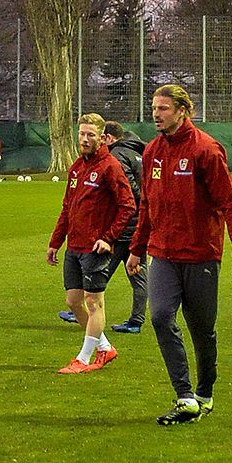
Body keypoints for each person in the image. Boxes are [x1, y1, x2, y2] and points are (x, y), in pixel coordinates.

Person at [126, 84, 232, 426]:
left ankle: (205, 393)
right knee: (160, 317)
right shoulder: (152, 151)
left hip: (200, 255)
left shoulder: (206, 150)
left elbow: (229, 203)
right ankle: (184, 396)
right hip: (163, 254)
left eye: (163, 108)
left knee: (202, 330)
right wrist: (136, 249)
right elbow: (146, 205)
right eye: (154, 107)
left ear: (183, 110)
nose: (156, 114)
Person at [46, 113, 136, 374]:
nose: (84, 139)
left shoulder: (110, 166)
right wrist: (55, 242)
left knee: (94, 303)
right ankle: (105, 347)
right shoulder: (76, 167)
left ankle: (83, 359)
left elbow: (128, 205)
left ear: (102, 138)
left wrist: (108, 238)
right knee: (73, 301)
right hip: (74, 245)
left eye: (90, 135)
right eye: (82, 134)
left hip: (96, 247)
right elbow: (67, 207)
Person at [103, 120, 150, 334]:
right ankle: (136, 321)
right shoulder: (137, 152)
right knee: (138, 274)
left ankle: (82, 309)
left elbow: (129, 189)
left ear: (109, 137)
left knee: (100, 269)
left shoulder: (117, 155)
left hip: (125, 224)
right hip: (139, 223)